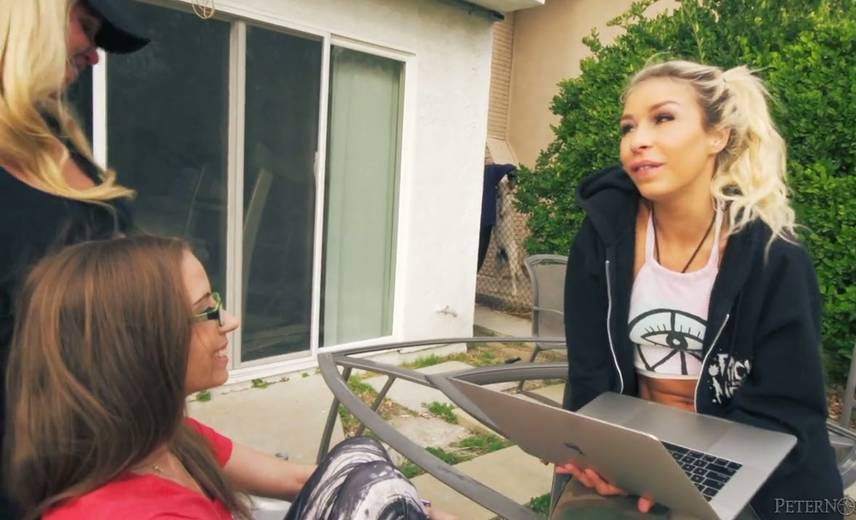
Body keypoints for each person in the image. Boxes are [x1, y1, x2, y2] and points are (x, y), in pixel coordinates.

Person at [554, 60, 843, 518]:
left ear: (717, 136)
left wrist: (685, 472)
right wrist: (597, 454)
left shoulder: (773, 257)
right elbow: (589, 372)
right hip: (631, 453)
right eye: (628, 127)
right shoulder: (603, 237)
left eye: (663, 118)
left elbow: (786, 407)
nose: (637, 140)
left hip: (744, 470)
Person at [5, 235, 449, 520]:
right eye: (206, 311)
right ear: (140, 342)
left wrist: (408, 504)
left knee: (362, 458)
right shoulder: (126, 510)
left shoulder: (167, 440)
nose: (231, 321)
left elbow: (299, 480)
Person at [0, 1, 149, 515]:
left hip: (93, 455)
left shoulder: (53, 137)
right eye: (87, 27)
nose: (95, 56)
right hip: (20, 477)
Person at [477, 162, 517, 271]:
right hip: (485, 219)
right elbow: (511, 168)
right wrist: (512, 183)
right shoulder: (491, 170)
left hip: (475, 218)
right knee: (480, 252)